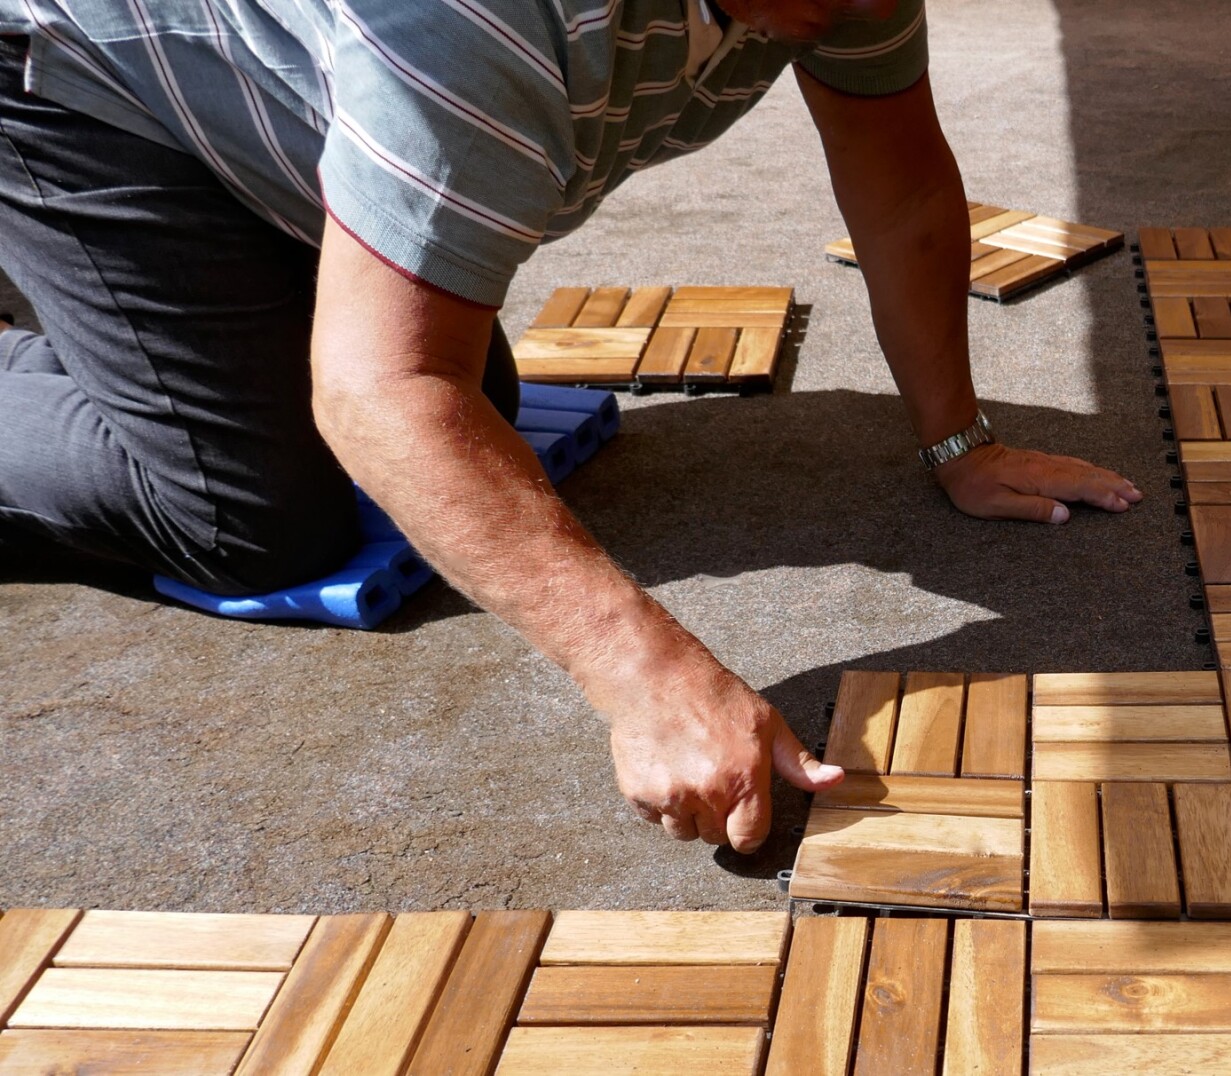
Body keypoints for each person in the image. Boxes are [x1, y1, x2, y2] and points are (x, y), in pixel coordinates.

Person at [0, 0, 1141, 854]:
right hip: (88, 85)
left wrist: (961, 444)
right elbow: (381, 390)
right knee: (252, 514)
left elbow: (897, 188)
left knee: (475, 436)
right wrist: (647, 675)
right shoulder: (476, 21)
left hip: (281, 109)